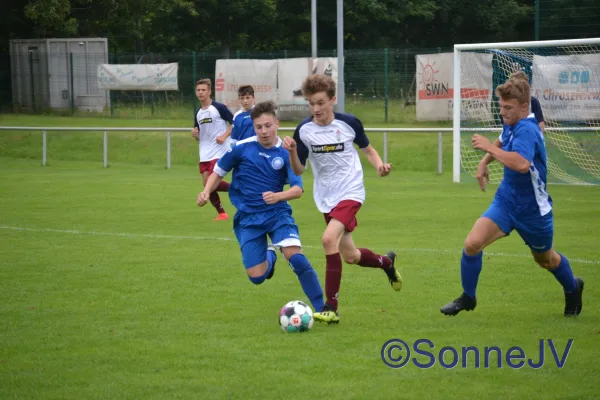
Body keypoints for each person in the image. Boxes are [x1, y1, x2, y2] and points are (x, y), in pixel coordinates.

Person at [440, 75, 584, 317]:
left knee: (546, 259)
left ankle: (572, 288)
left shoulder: (528, 129)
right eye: (501, 107)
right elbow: (504, 138)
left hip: (533, 212)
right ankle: (468, 297)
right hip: (506, 201)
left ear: (525, 107)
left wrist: (488, 148)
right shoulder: (511, 121)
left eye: (508, 108)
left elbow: (521, 164)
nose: (503, 112)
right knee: (472, 243)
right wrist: (485, 161)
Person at [283, 74, 403, 325]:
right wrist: (293, 151)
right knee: (351, 256)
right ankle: (387, 263)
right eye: (310, 104)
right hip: (326, 197)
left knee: (328, 239)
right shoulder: (304, 130)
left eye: (320, 103)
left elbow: (367, 149)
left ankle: (331, 308)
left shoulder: (349, 123)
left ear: (332, 100)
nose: (315, 109)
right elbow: (298, 170)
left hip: (351, 191)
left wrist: (380, 165)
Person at [197, 100, 325, 313]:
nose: (264, 131)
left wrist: (278, 196)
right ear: (254, 127)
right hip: (248, 218)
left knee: (297, 259)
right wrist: (205, 191)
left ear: (277, 123)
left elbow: (297, 190)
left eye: (268, 125)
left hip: (277, 214)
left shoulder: (286, 153)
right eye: (259, 127)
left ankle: (323, 308)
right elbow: (218, 171)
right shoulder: (241, 148)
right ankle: (270, 254)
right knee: (257, 278)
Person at [192, 78, 234, 221]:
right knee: (207, 184)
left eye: (203, 90)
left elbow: (235, 123)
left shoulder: (219, 107)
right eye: (198, 90)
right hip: (204, 153)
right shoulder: (198, 112)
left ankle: (219, 204)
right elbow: (200, 134)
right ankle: (222, 212)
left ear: (209, 91)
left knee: (211, 182)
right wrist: (196, 135)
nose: (200, 92)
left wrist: (224, 135)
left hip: (219, 151)